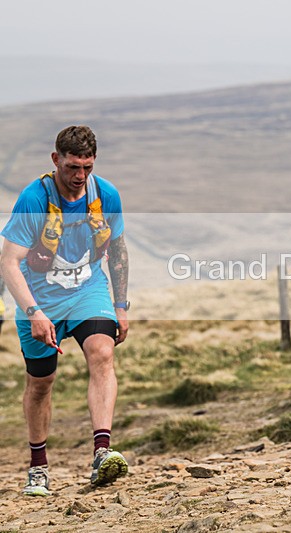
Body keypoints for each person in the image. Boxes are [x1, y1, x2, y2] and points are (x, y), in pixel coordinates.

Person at [1, 125, 131, 496]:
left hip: (88, 290)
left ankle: (102, 453)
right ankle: (38, 467)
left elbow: (118, 250)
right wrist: (34, 312)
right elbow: (9, 262)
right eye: (73, 167)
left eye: (87, 167)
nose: (79, 176)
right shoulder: (33, 198)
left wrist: (120, 306)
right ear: (56, 160)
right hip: (39, 298)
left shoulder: (106, 194)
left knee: (102, 353)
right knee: (41, 384)